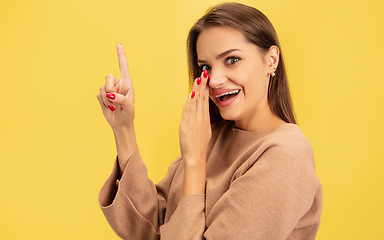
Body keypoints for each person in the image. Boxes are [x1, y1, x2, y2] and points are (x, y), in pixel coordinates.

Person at [96, 2, 322, 239]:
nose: (214, 80)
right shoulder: (211, 137)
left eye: (232, 60)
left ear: (271, 60)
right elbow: (149, 227)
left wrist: (194, 162)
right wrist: (123, 129)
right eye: (205, 67)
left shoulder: (286, 155)